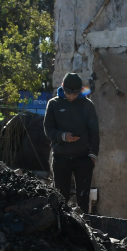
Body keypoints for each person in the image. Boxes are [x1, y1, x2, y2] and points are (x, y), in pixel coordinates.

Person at [43, 72, 100, 212]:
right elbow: (48, 129)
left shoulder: (88, 105)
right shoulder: (53, 104)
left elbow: (94, 132)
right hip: (61, 156)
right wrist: (63, 136)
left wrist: (93, 155)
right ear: (63, 88)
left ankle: (84, 228)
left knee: (83, 197)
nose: (71, 97)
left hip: (83, 158)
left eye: (75, 94)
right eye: (69, 94)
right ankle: (61, 227)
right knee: (60, 197)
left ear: (80, 91)